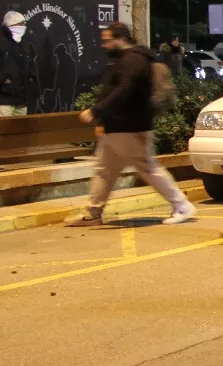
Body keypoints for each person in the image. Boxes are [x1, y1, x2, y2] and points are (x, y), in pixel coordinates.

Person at [65, 22, 195, 227]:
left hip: (132, 127)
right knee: (104, 170)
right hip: (117, 128)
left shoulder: (134, 60)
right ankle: (93, 213)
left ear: (120, 39)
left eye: (108, 41)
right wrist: (104, 121)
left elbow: (124, 90)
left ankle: (182, 205)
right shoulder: (126, 59)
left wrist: (96, 111)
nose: (104, 45)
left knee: (148, 168)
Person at [0, 10, 32, 116]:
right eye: (20, 24)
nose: (23, 27)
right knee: (3, 131)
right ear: (10, 25)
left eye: (24, 24)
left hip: (21, 99)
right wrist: (2, 79)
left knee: (21, 132)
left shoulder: (22, 44)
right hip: (3, 99)